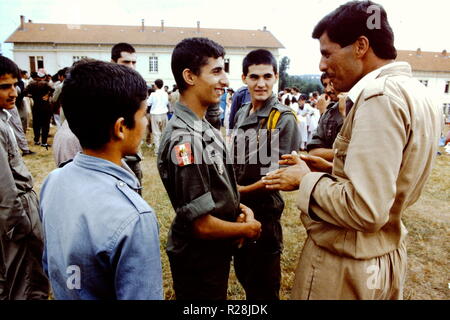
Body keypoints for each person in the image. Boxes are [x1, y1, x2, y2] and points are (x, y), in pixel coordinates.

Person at [262, 0, 442, 300]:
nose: (321, 65)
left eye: (327, 53)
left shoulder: (379, 97)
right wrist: (332, 169)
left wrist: (303, 180)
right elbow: (389, 178)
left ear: (361, 46)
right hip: (383, 256)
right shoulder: (415, 93)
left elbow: (366, 208)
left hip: (347, 265)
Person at [39, 59, 163, 300]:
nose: (146, 121)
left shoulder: (52, 182)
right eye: (143, 113)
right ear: (120, 128)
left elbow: (51, 264)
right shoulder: (134, 217)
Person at [157, 37, 261, 300]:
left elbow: (217, 186)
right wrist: (248, 229)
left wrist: (240, 208)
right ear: (190, 77)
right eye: (216, 71)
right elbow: (201, 225)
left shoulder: (203, 126)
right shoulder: (185, 140)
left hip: (213, 253)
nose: (225, 80)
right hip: (198, 260)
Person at [231, 49, 300, 300]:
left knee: (263, 287)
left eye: (267, 76)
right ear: (244, 78)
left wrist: (240, 191)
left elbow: (281, 174)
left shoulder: (282, 118)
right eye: (254, 77)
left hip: (264, 213)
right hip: (239, 209)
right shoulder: (242, 111)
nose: (261, 83)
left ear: (276, 77)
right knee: (244, 274)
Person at [0, 56, 49, 300]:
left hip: (16, 213)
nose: (13, 93)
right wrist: (20, 225)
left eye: (14, 85)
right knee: (28, 284)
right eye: (4, 87)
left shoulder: (4, 118)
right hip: (16, 213)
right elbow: (5, 187)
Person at [111, 42, 143, 187]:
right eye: (126, 62)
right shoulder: (105, 87)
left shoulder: (137, 88)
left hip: (133, 156)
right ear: (113, 62)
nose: (130, 66)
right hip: (112, 157)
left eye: (133, 62)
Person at [307, 73, 346, 161]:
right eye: (325, 85)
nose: (328, 89)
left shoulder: (360, 107)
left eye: (331, 83)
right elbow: (313, 152)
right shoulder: (329, 112)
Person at [147, 78, 169, 155]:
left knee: (156, 133)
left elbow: (148, 103)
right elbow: (166, 103)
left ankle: (157, 150)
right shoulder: (165, 93)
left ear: (156, 85)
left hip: (155, 114)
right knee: (164, 132)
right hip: (163, 114)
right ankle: (164, 149)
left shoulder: (153, 94)